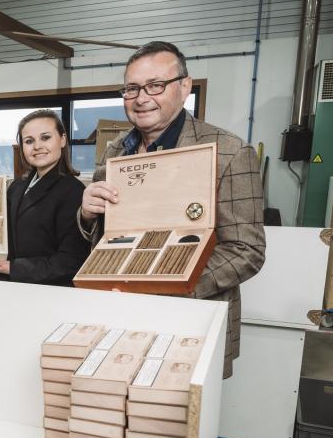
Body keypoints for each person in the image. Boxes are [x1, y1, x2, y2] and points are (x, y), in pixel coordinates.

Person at [78, 41, 266, 380]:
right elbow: (109, 236)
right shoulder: (116, 152)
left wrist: (170, 287)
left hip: (193, 319)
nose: (141, 97)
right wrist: (88, 215)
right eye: (132, 88)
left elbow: (246, 251)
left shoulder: (229, 152)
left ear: (184, 87)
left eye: (155, 85)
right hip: (125, 316)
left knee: (183, 424)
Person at [0, 109, 89, 286]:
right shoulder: (17, 187)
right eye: (29, 141)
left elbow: (71, 263)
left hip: (50, 293)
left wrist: (14, 268)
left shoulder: (73, 191)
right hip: (11, 287)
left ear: (62, 140)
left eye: (45, 137)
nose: (37, 146)